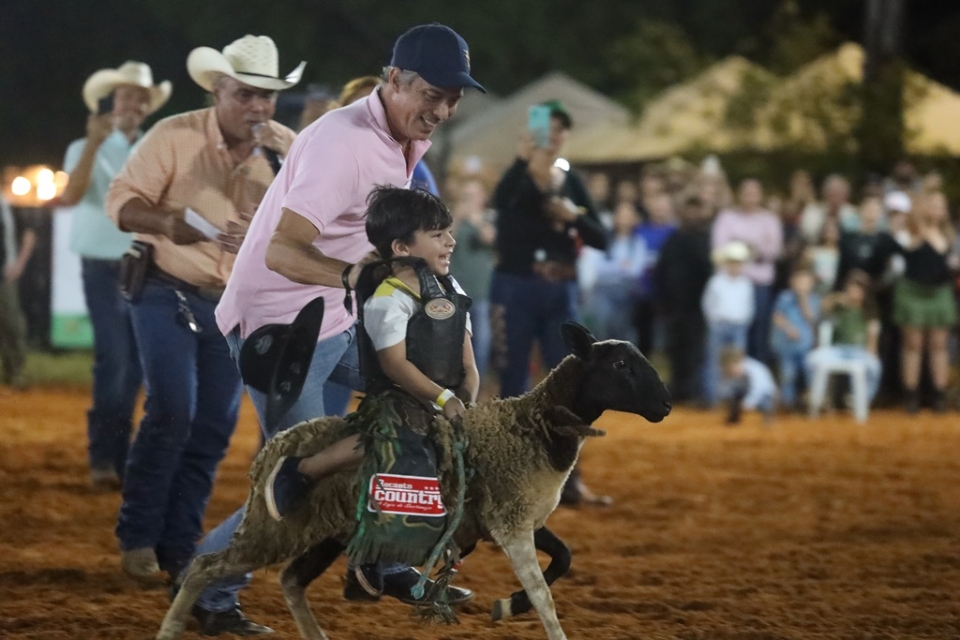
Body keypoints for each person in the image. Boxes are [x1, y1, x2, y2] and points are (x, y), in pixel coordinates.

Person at [189, 23, 484, 626]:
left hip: (331, 314)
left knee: (414, 398)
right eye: (433, 93)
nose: (444, 109)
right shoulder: (343, 144)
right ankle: (205, 590)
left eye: (454, 96)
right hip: (280, 326)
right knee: (301, 484)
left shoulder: (399, 133)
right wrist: (362, 278)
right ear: (394, 80)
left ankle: (384, 557)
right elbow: (282, 251)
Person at [105, 34, 300, 633]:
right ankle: (140, 533)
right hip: (165, 286)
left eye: (266, 97)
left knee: (212, 426)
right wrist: (168, 221)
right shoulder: (174, 135)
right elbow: (121, 203)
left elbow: (308, 223)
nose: (258, 107)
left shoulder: (286, 151)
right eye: (246, 94)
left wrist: (272, 200)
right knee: (175, 406)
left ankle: (178, 548)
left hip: (234, 306)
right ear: (218, 90)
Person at [266, 186, 478, 591]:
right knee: (395, 437)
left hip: (442, 400)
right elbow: (394, 364)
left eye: (448, 232)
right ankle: (304, 469)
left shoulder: (454, 292)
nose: (450, 242)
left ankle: (373, 565)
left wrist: (467, 393)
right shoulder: (389, 298)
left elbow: (467, 359)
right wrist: (443, 398)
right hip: (399, 397)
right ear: (401, 247)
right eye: (437, 235)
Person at [488, 99, 608, 506]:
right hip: (517, 285)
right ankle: (506, 480)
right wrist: (523, 162)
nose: (553, 136)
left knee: (571, 383)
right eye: (547, 128)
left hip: (556, 289)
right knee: (511, 383)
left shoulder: (569, 182)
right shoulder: (519, 176)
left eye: (559, 130)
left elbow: (601, 238)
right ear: (531, 133)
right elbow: (500, 202)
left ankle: (567, 481)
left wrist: (572, 216)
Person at [59, 61, 171, 489]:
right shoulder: (84, 146)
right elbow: (70, 195)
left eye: (140, 98)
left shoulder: (154, 149)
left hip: (142, 264)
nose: (134, 104)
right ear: (112, 102)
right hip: (105, 268)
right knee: (117, 361)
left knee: (133, 366)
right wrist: (91, 144)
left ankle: (113, 457)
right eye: (127, 96)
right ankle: (106, 456)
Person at [891, 191, 958, 413]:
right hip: (912, 290)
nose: (937, 209)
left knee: (939, 345)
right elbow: (910, 242)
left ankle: (939, 396)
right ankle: (911, 396)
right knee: (912, 345)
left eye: (940, 206)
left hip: (939, 292)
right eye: (933, 205)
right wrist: (924, 192)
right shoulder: (912, 230)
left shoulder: (948, 233)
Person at [711, 178, 783, 364]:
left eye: (754, 193)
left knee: (758, 333)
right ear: (739, 195)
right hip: (732, 284)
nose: (750, 197)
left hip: (760, 285)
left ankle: (755, 372)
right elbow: (720, 250)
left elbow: (773, 251)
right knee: (731, 337)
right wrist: (753, 250)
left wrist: (743, 246)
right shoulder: (727, 218)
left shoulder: (769, 219)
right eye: (746, 193)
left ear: (760, 196)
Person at [655, 194, 714, 404]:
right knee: (675, 348)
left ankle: (694, 389)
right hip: (673, 306)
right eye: (688, 209)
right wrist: (661, 300)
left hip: (697, 306)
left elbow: (708, 273)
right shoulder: (673, 239)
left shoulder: (705, 239)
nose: (691, 214)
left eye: (695, 209)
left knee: (695, 349)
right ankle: (679, 389)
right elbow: (660, 271)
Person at [805, 269, 883, 409]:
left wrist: (871, 352)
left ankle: (862, 399)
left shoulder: (869, 313)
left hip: (859, 352)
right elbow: (822, 307)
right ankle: (818, 396)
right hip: (837, 350)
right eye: (851, 289)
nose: (854, 293)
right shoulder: (839, 307)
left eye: (858, 290)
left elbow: (873, 338)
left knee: (875, 368)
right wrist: (836, 298)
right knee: (812, 361)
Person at [578, 201, 645, 343]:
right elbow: (598, 268)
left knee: (622, 326)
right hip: (603, 290)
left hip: (626, 291)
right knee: (602, 319)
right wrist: (621, 266)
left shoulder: (638, 243)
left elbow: (635, 271)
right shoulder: (604, 240)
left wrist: (614, 267)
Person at [449, 177, 496, 379]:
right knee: (453, 341)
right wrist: (457, 218)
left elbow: (490, 237)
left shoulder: (489, 218)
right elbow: (444, 239)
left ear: (482, 198)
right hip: (456, 291)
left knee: (482, 342)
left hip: (482, 292)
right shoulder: (453, 218)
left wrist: (476, 220)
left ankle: (478, 383)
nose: (469, 199)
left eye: (473, 195)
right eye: (465, 195)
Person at [702, 241, 755, 406]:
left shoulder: (746, 284)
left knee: (738, 365)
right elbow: (708, 304)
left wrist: (745, 322)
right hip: (719, 325)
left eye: (738, 263)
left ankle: (734, 398)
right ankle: (714, 399)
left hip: (739, 326)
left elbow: (749, 306)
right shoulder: (716, 282)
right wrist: (713, 321)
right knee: (714, 362)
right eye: (732, 262)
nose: (735, 266)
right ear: (726, 264)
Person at [770, 266, 820, 411]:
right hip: (785, 344)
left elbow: (811, 318)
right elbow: (777, 316)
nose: (803, 285)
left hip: (805, 345)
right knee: (788, 373)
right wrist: (789, 328)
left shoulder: (814, 299)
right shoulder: (785, 297)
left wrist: (803, 299)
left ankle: (810, 403)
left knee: (809, 373)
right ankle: (788, 403)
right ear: (793, 282)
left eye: (807, 282)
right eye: (800, 281)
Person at [0, 195, 36, 390]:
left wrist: (19, 264)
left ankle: (14, 373)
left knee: (12, 324)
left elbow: (29, 234)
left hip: (5, 275)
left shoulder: (9, 207)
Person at [718, 345, 777, 425]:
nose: (730, 373)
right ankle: (734, 419)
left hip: (766, 394)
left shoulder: (754, 369)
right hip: (746, 391)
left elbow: (759, 388)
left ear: (739, 362)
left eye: (731, 369)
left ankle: (768, 419)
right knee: (731, 396)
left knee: (768, 400)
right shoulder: (733, 372)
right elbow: (725, 389)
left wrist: (749, 402)